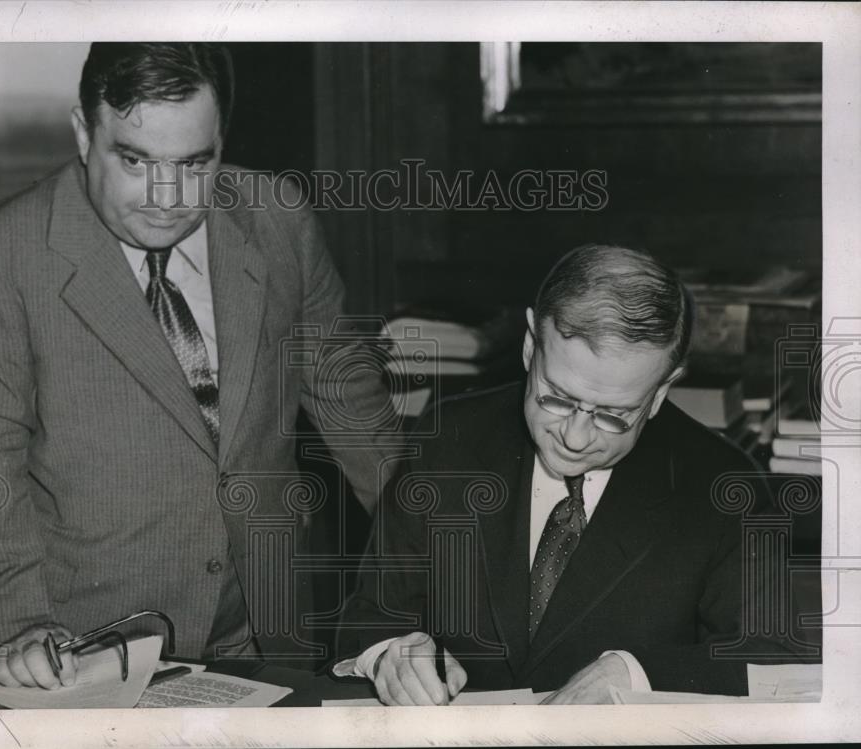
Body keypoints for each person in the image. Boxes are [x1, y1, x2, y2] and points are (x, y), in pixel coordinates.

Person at [0, 42, 395, 689]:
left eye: (194, 162)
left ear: (221, 140)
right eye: (136, 160)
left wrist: (446, 562)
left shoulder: (277, 220)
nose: (167, 197)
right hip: (87, 649)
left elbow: (352, 403)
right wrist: (18, 622)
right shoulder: (0, 253)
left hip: (268, 627)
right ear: (84, 134)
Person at [336, 244, 815, 704]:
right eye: (557, 398)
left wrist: (634, 674)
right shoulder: (451, 439)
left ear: (662, 391)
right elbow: (371, 617)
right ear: (529, 346)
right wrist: (388, 656)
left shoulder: (724, 486)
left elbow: (774, 656)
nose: (577, 436)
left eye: (613, 414)